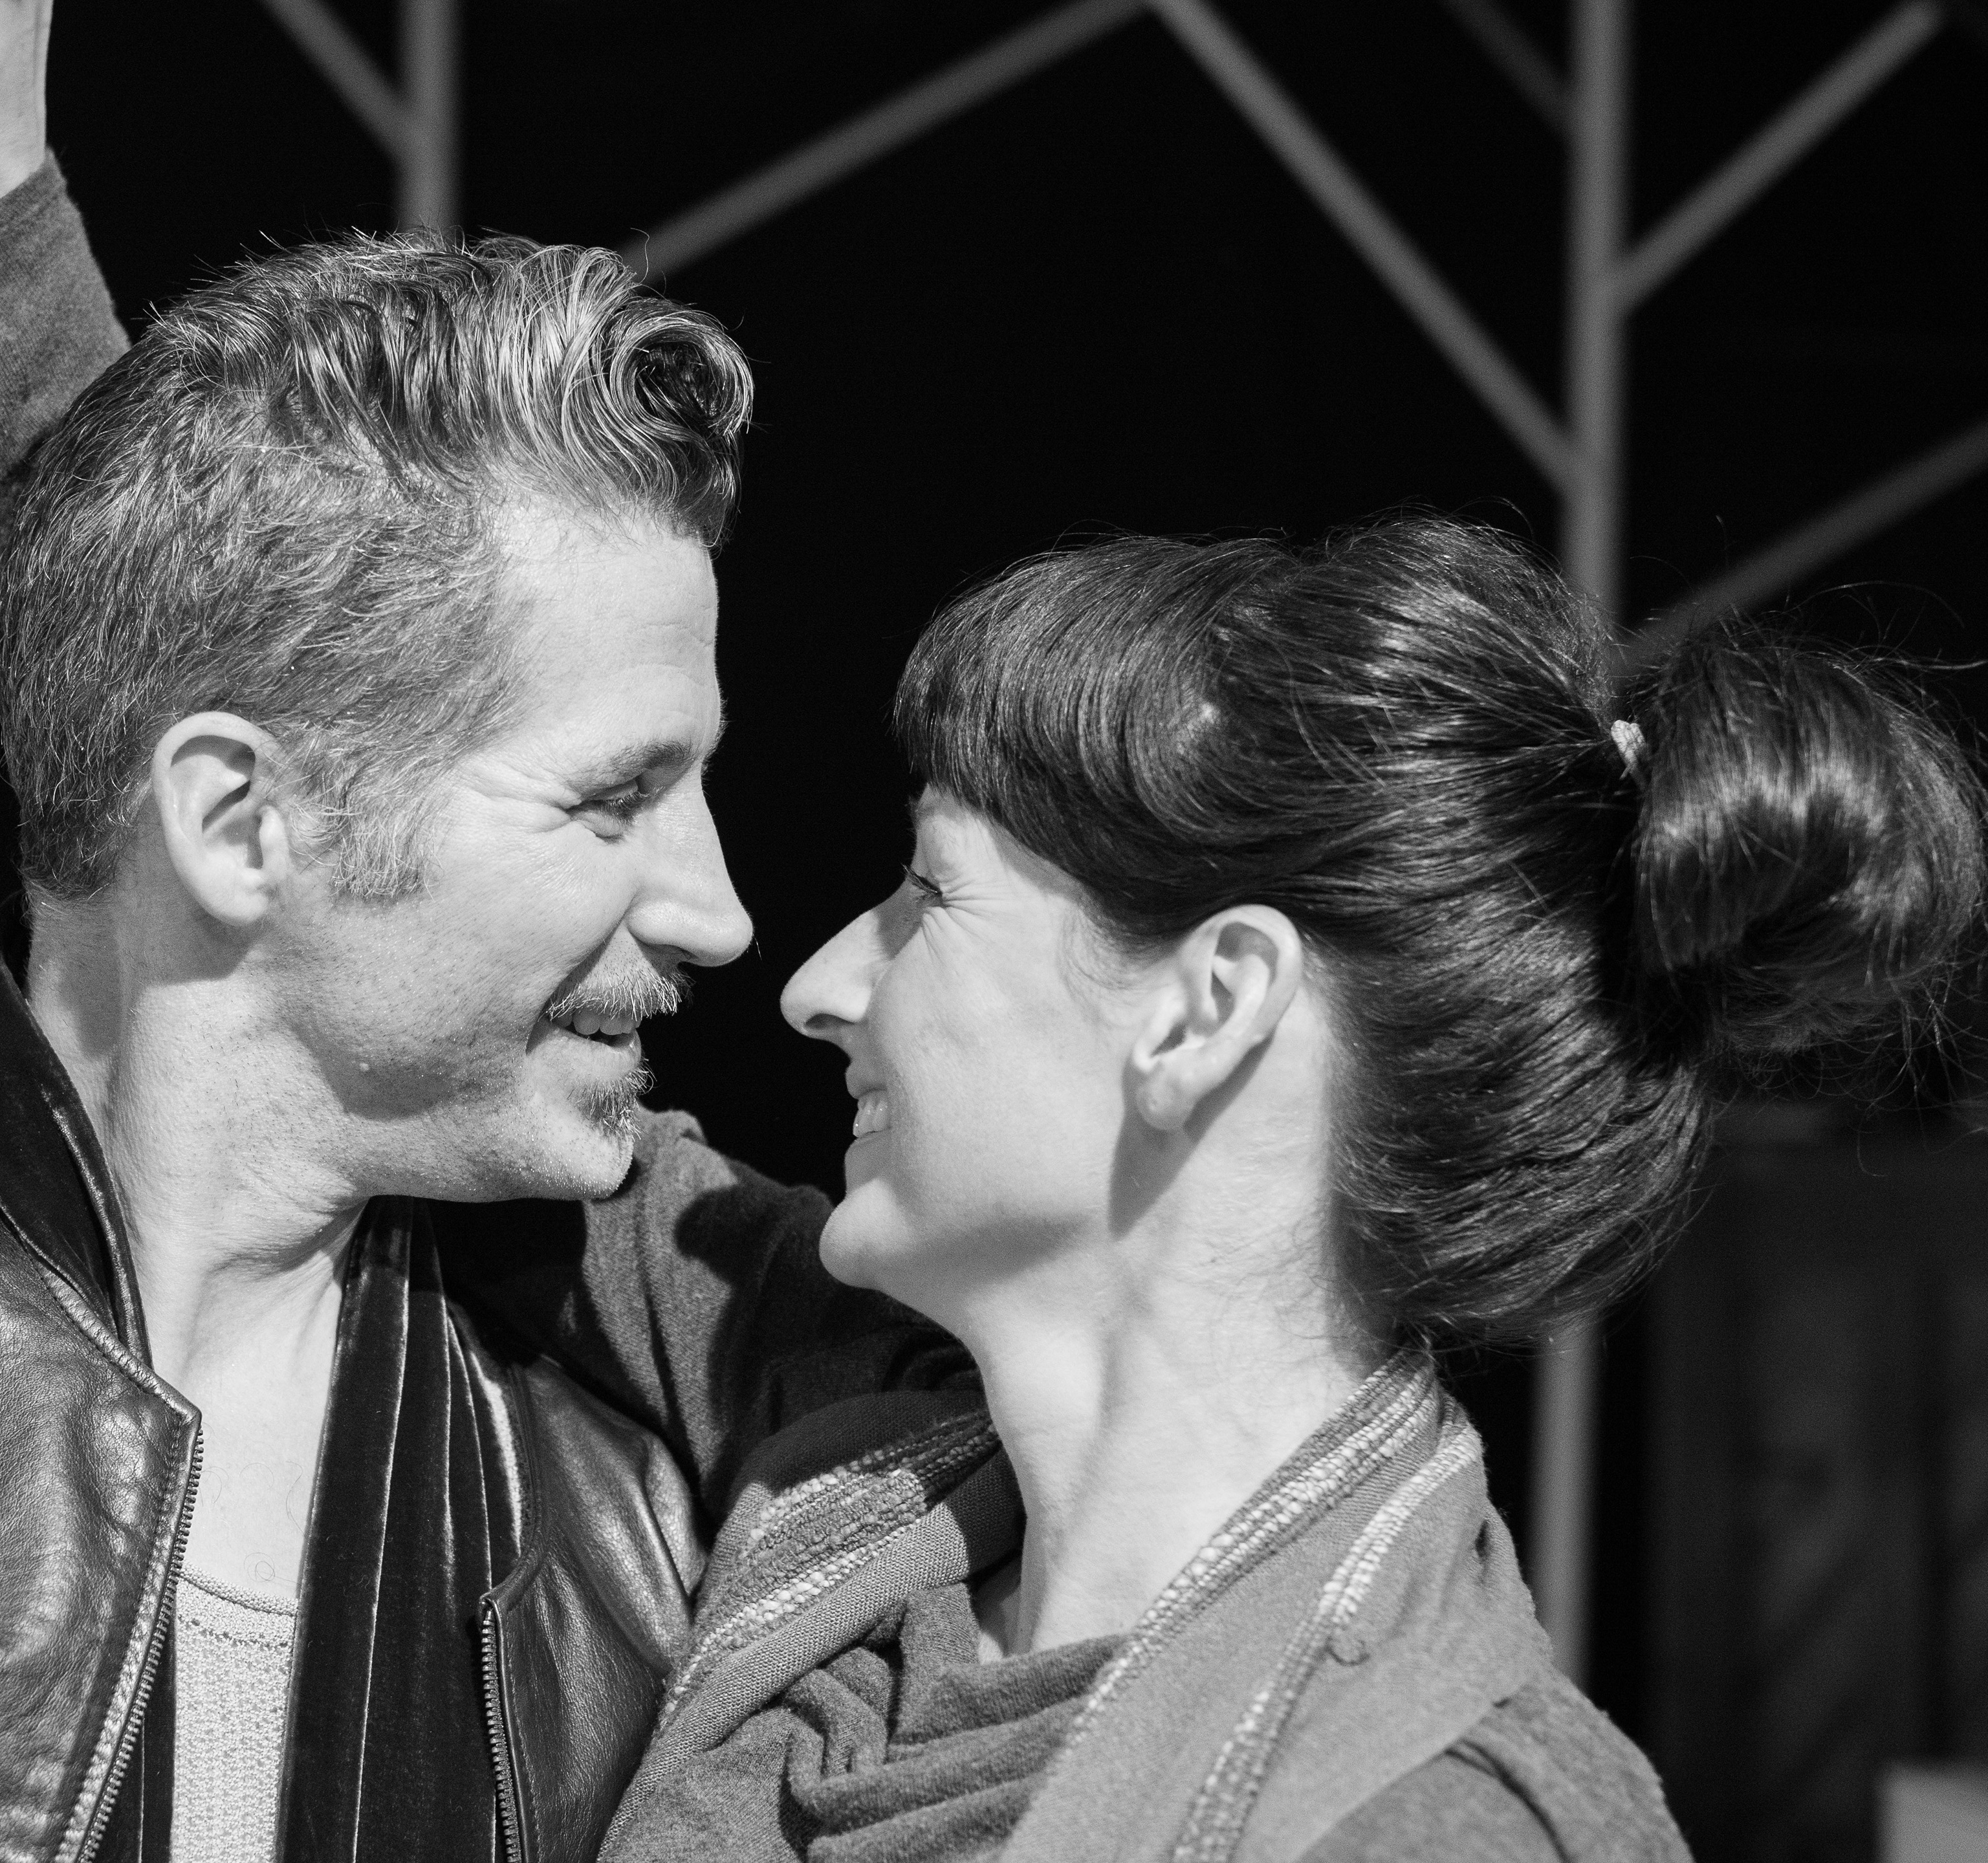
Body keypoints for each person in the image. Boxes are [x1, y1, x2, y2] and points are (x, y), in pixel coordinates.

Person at [0, 3, 956, 1859]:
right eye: (614, 798)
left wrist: (11, 272)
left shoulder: (693, 1490)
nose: (726, 913)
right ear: (238, 820)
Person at [589, 520, 1985, 1861]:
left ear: (1208, 1012)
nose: (818, 986)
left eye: (930, 892)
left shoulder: (1451, 1828)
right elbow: (568, 1151)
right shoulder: (861, 1455)